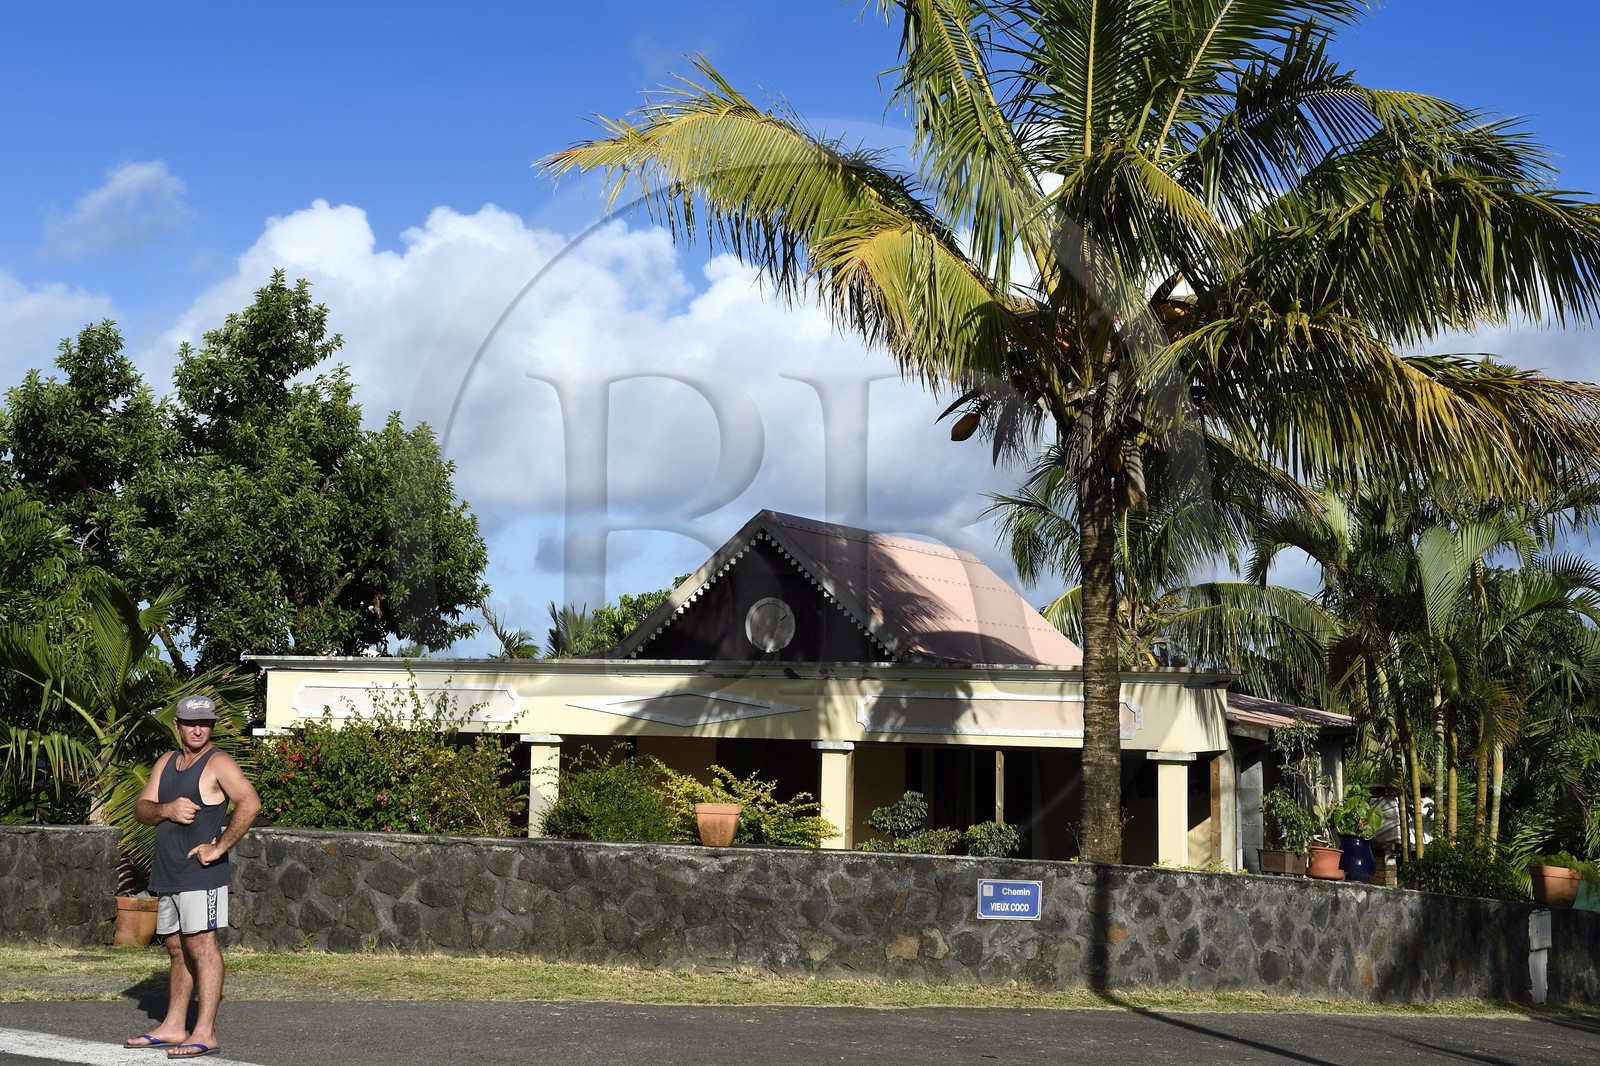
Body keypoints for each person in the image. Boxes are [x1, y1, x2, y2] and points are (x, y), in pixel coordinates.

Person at [123, 693, 261, 1060]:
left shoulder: (218, 762)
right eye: (190, 722)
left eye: (204, 722)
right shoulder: (167, 761)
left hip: (201, 876)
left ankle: (205, 1032)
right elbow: (141, 808)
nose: (197, 728)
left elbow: (250, 802)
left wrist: (219, 847)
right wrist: (166, 809)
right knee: (176, 948)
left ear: (211, 725)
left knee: (202, 946)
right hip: (168, 873)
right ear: (177, 725)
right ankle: (173, 1025)